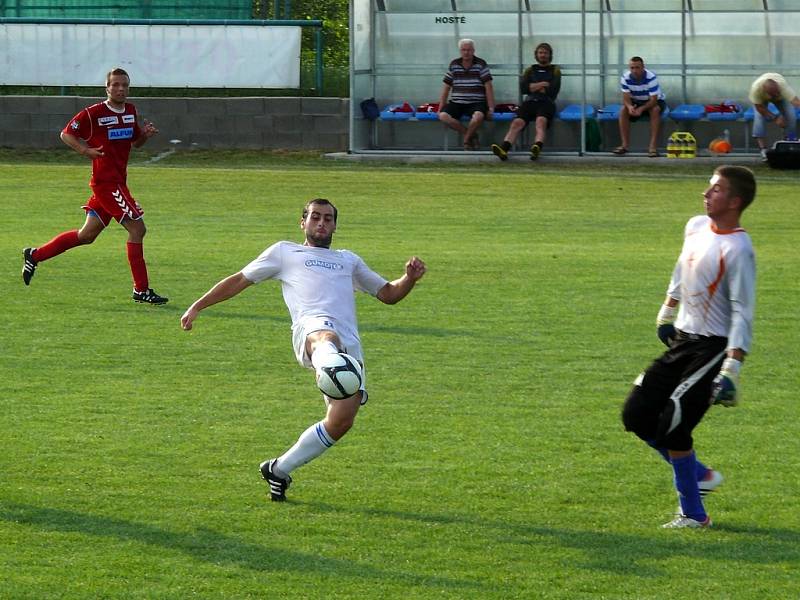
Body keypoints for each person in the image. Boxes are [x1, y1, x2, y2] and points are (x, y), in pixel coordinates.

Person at [180, 198, 426, 502]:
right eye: (314, 218)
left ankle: (279, 469)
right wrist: (198, 305)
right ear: (303, 223)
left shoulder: (348, 260)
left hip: (348, 345)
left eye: (327, 219)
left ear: (335, 225)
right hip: (312, 332)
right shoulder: (285, 252)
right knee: (325, 336)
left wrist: (409, 279)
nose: (321, 223)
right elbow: (239, 280)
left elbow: (388, 294)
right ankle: (328, 362)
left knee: (341, 421)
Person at [622, 166, 756, 529]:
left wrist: (732, 370)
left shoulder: (739, 249)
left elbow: (743, 311)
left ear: (734, 201)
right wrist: (667, 311)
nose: (706, 194)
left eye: (715, 190)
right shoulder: (695, 226)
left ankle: (694, 515)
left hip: (711, 349)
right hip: (682, 340)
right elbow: (681, 269)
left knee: (673, 423)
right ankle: (699, 475)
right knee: (635, 414)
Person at [21, 67, 167, 304]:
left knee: (86, 235)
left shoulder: (130, 111)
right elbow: (66, 134)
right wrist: (85, 150)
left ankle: (35, 255)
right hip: (106, 184)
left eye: (125, 85)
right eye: (116, 85)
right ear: (107, 88)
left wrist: (145, 135)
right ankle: (141, 290)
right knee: (138, 229)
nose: (121, 89)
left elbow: (135, 143)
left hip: (117, 182)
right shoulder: (93, 113)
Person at [491, 42, 561, 162]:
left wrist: (533, 86)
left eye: (545, 53)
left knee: (541, 121)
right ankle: (504, 149)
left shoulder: (555, 70)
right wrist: (542, 84)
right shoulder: (530, 70)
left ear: (550, 55)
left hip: (546, 102)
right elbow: (523, 88)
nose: (543, 55)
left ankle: (537, 147)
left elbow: (553, 90)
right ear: (536, 55)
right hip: (529, 102)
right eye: (540, 53)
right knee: (517, 123)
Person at [437, 38, 495, 151]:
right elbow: (446, 87)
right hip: (457, 103)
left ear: (473, 50)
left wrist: (491, 108)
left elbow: (488, 86)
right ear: (460, 51)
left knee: (478, 116)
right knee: (443, 116)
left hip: (476, 103)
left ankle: (466, 140)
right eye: (463, 50)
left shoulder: (480, 64)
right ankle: (471, 135)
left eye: (469, 50)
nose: (466, 52)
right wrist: (440, 107)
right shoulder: (454, 64)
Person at [612, 56, 666, 158]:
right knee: (623, 110)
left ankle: (652, 147)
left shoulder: (651, 77)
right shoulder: (625, 78)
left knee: (655, 110)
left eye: (637, 67)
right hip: (636, 100)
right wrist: (629, 107)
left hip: (653, 101)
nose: (635, 70)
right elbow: (626, 98)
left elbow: (653, 100)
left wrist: (641, 109)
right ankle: (624, 145)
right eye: (632, 68)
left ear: (643, 67)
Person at [748, 72, 800, 161]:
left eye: (777, 92)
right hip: (761, 101)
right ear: (765, 90)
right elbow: (760, 108)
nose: (776, 95)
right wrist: (775, 118)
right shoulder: (756, 90)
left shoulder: (783, 87)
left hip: (781, 98)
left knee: (791, 116)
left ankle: (789, 143)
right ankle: (763, 149)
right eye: (773, 94)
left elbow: (796, 102)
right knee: (759, 118)